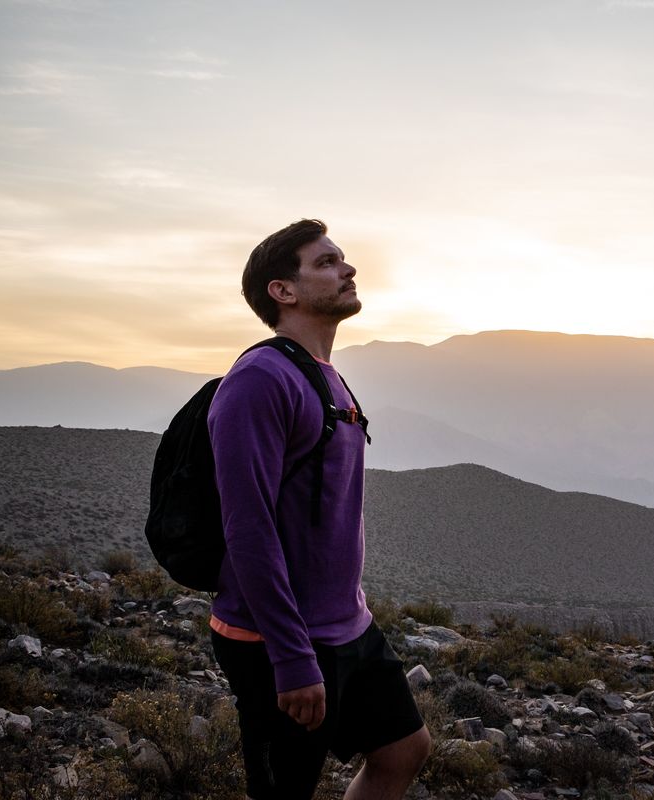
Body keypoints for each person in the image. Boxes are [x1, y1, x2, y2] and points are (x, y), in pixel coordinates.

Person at [207, 219, 430, 800]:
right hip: (277, 638)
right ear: (283, 290)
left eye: (343, 259)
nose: (348, 269)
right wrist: (291, 658)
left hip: (346, 624)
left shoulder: (323, 375)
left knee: (404, 748)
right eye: (327, 262)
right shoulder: (259, 380)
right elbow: (247, 527)